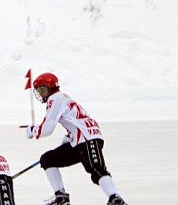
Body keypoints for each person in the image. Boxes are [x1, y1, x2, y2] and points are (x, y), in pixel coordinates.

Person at [26, 73, 127, 205]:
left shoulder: (55, 98)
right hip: (81, 141)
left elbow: (47, 129)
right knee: (48, 159)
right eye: (38, 90)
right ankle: (61, 197)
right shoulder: (63, 98)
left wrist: (33, 130)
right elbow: (76, 123)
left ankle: (115, 198)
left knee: (96, 169)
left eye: (42, 89)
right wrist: (68, 140)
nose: (40, 93)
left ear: (50, 87)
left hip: (87, 139)